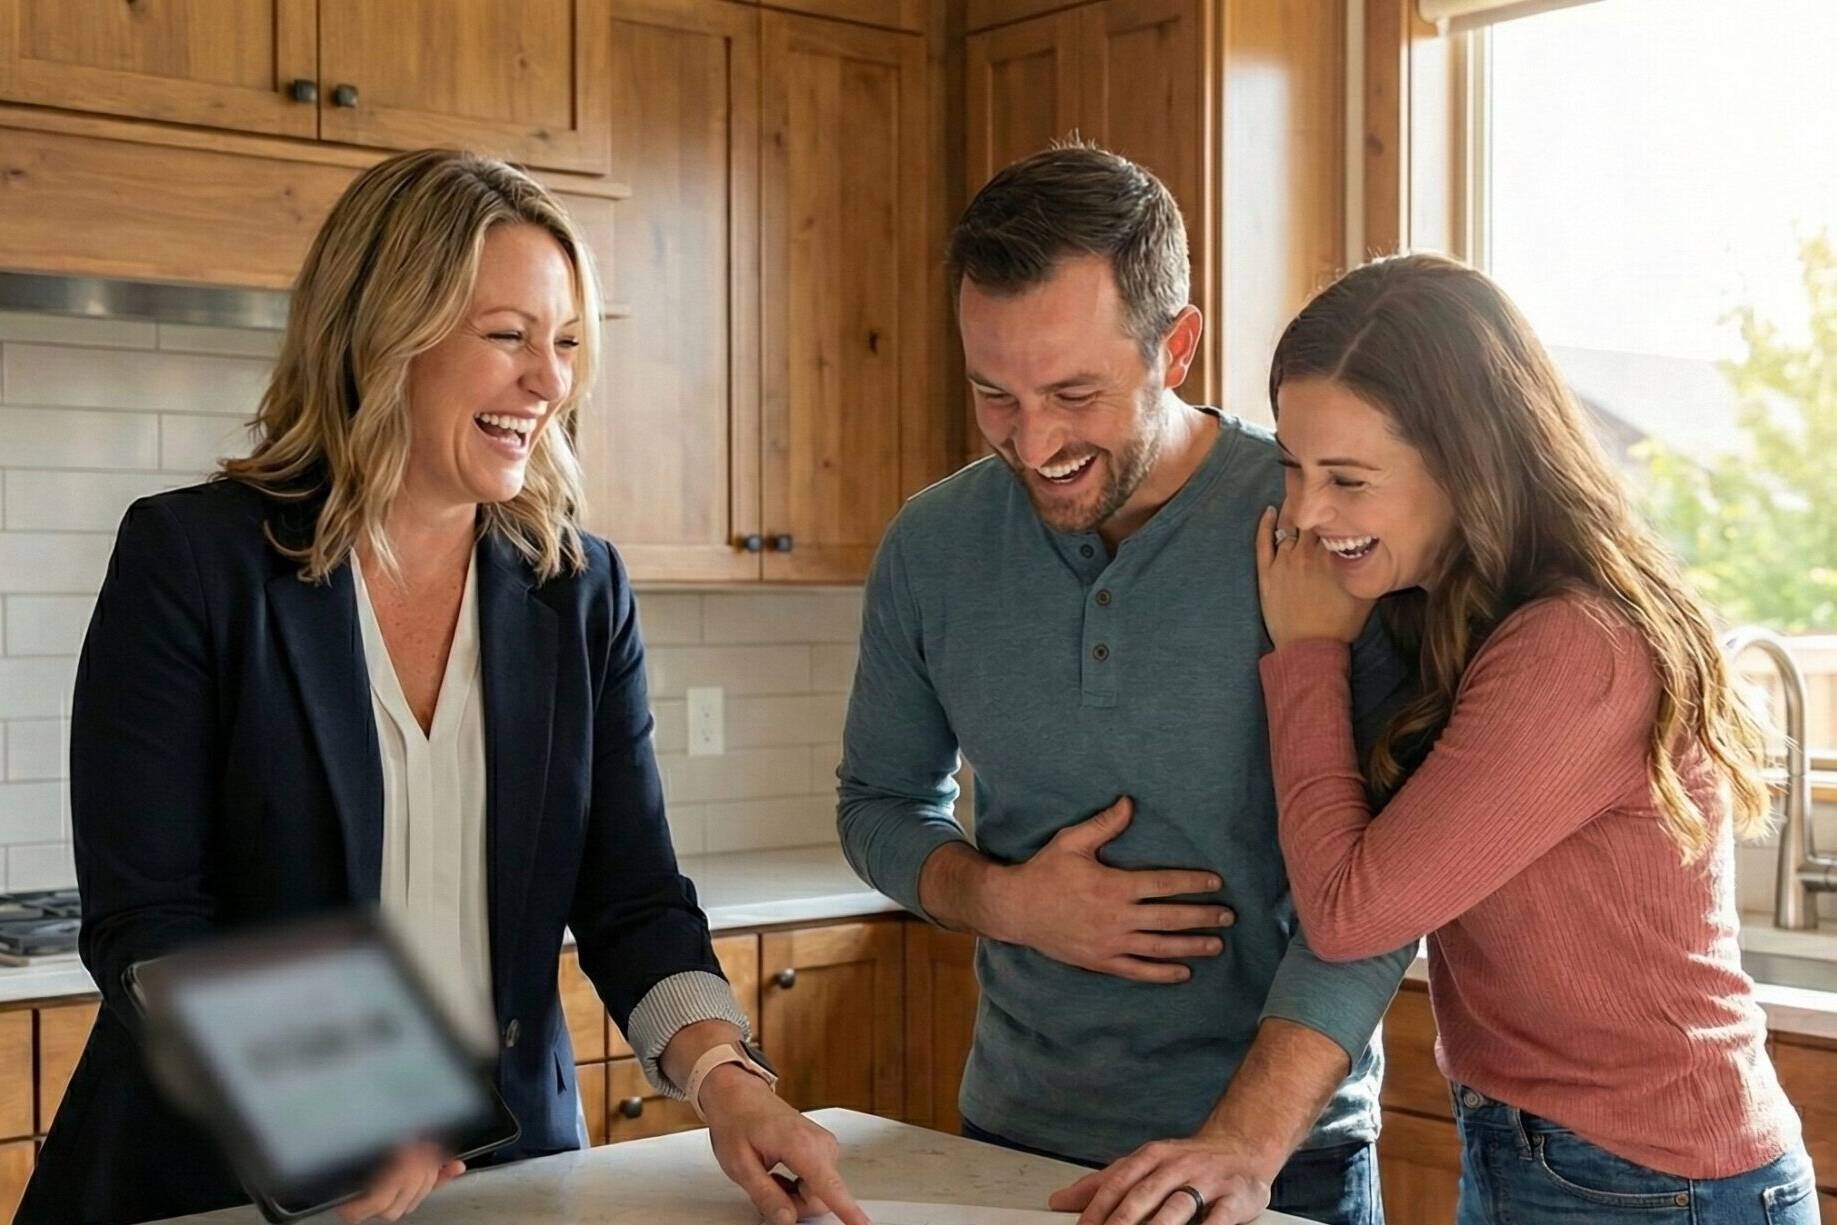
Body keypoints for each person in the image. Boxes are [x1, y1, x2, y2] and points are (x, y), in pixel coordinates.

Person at [20, 148, 864, 1225]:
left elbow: (632, 897)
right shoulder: (194, 562)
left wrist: (729, 1082)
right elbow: (148, 922)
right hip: (223, 1186)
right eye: (508, 336)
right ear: (385, 338)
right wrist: (344, 1108)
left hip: (508, 1176)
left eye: (564, 343)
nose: (549, 382)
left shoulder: (579, 589)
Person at [836, 143, 1415, 1225]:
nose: (1034, 440)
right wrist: (1002, 899)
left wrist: (1238, 1146)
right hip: (1014, 1148)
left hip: (1278, 1168)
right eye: (993, 395)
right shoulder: (932, 545)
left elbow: (1382, 894)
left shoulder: (1312, 524)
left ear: (1176, 347)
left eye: (1074, 393)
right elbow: (876, 806)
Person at [1255, 252, 1818, 1223]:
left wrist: (1306, 654)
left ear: (1464, 462)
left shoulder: (1573, 649)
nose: (1305, 514)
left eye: (1346, 479)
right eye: (1292, 467)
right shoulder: (1455, 614)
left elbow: (1351, 911)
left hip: (1654, 1184)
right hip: (1558, 1154)